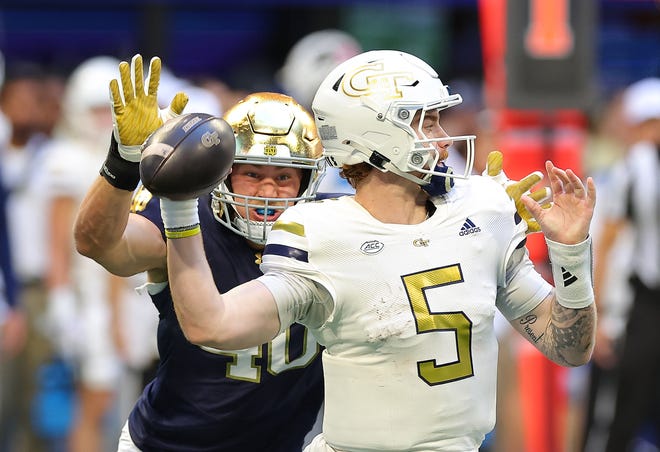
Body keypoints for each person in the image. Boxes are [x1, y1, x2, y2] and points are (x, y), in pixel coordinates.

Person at [157, 49, 597, 451]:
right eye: (426, 122)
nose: (443, 138)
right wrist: (178, 210)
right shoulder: (322, 233)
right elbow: (211, 326)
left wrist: (570, 251)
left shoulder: (482, 210)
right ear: (377, 133)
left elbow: (570, 348)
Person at [73, 54, 325, 451]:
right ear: (224, 172)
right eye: (253, 174)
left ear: (308, 181)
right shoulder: (186, 214)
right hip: (167, 443)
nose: (266, 192)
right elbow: (98, 244)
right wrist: (123, 164)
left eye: (284, 177)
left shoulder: (331, 233)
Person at [595, 77, 660, 452]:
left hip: (642, 301)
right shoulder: (632, 168)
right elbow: (609, 243)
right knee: (621, 407)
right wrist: (602, 313)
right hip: (637, 305)